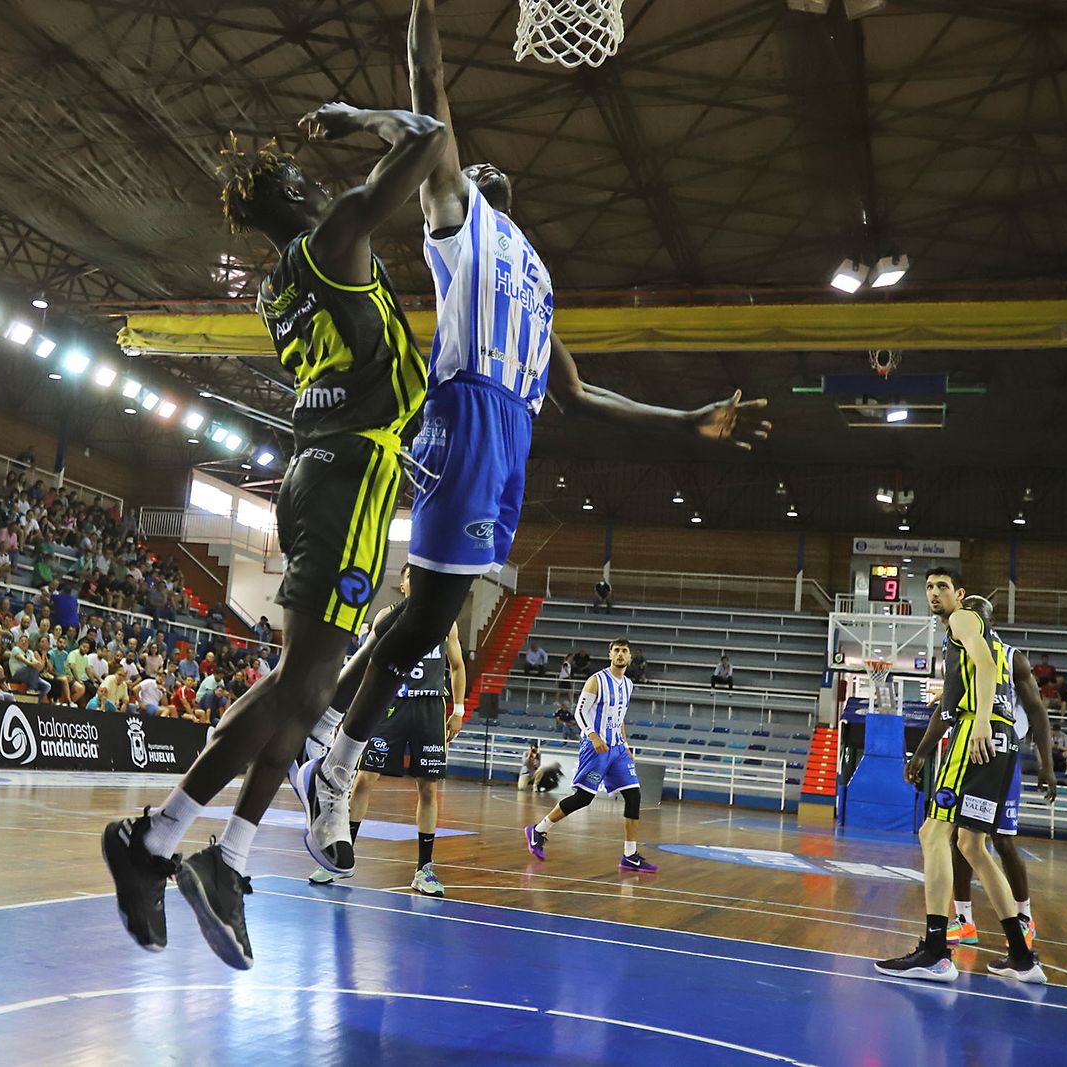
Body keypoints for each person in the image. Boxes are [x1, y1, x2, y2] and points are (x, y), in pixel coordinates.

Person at [293, 0, 773, 890]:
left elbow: (581, 393)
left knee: (430, 614)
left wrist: (684, 422)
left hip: (510, 434)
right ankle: (331, 756)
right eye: (463, 162)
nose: (468, 163)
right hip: (472, 412)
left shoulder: (535, 275)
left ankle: (326, 736)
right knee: (429, 616)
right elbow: (428, 88)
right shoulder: (467, 218)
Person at [101, 93, 449, 972]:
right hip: (349, 478)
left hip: (320, 474)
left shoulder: (281, 280)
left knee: (308, 691)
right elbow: (430, 139)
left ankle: (216, 853)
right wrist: (365, 118)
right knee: (307, 685)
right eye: (298, 172)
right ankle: (160, 836)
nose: (311, 172)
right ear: (290, 193)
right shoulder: (330, 237)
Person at [877, 568, 1042, 985]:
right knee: (973, 845)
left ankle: (935, 953)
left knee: (933, 834)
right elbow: (967, 684)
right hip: (1002, 738)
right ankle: (1023, 957)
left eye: (943, 587)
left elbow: (986, 665)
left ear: (960, 594)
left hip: (979, 731)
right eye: (929, 587)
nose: (934, 593)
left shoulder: (963, 618)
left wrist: (981, 721)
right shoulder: (964, 636)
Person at [309, 564, 466, 896]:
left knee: (428, 790)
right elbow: (367, 666)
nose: (418, 581)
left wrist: (459, 709)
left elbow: (458, 665)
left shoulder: (444, 620)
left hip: (430, 708)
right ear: (403, 583)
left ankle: (424, 870)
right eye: (412, 576)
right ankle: (339, 858)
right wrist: (354, 709)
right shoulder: (386, 616)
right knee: (364, 780)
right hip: (390, 703)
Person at [932, 605, 1056, 950]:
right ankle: (964, 920)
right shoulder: (964, 652)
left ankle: (1024, 918)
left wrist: (1046, 764)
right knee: (961, 836)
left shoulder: (1012, 658)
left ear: (990, 621)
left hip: (1001, 751)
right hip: (972, 746)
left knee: (1000, 840)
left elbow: (1038, 713)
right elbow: (949, 709)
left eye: (979, 612)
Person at [524, 638, 656, 872]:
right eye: (616, 650)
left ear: (630, 657)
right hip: (595, 747)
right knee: (584, 798)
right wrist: (593, 735)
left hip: (617, 749)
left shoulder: (628, 684)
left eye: (624, 651)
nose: (620, 654)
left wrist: (625, 744)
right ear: (610, 654)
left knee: (634, 796)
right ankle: (539, 829)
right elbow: (580, 712)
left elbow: (620, 717)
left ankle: (630, 855)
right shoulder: (597, 680)